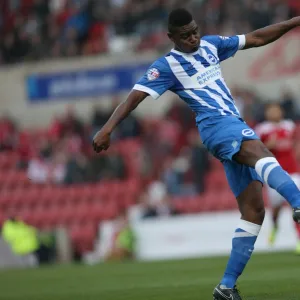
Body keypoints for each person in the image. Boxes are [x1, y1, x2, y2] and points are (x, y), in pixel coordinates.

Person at [92, 8, 300, 300]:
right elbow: (134, 96)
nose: (193, 38)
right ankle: (298, 202)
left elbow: (255, 38)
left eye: (194, 31)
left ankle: (226, 287)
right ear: (171, 37)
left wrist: (294, 21)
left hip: (231, 126)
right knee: (261, 150)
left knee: (253, 211)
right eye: (185, 35)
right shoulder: (166, 66)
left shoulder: (212, 45)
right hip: (217, 127)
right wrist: (107, 129)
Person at [255, 104, 300, 253]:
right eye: (271, 110)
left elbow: (296, 142)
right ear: (267, 113)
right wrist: (269, 145)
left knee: (297, 205)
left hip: (293, 171)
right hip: (274, 174)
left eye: (277, 110)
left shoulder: (289, 125)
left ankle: (299, 239)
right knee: (276, 208)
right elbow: (256, 150)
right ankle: (275, 226)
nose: (275, 112)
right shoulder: (262, 129)